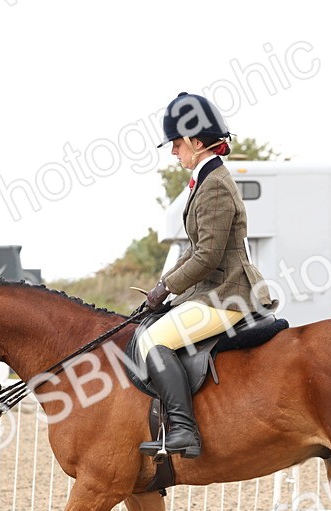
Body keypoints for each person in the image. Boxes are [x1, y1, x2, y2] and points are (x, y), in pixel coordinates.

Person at [138, 91, 276, 459]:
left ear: (197, 143)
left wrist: (167, 287)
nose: (173, 152)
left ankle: (184, 430)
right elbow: (192, 248)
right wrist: (162, 287)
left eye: (177, 144)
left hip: (228, 293)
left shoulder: (214, 184)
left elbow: (208, 256)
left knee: (154, 342)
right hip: (213, 290)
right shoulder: (205, 179)